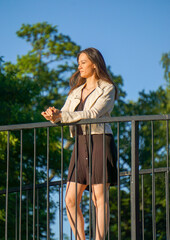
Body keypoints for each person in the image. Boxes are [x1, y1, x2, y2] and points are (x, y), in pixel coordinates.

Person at [41, 47, 117, 240]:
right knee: (70, 199)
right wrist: (54, 116)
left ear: (94, 63)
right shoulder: (75, 91)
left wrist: (63, 115)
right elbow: (64, 114)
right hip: (81, 142)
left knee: (98, 197)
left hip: (100, 140)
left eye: (83, 62)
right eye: (78, 63)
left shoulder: (107, 88)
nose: (79, 66)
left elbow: (92, 115)